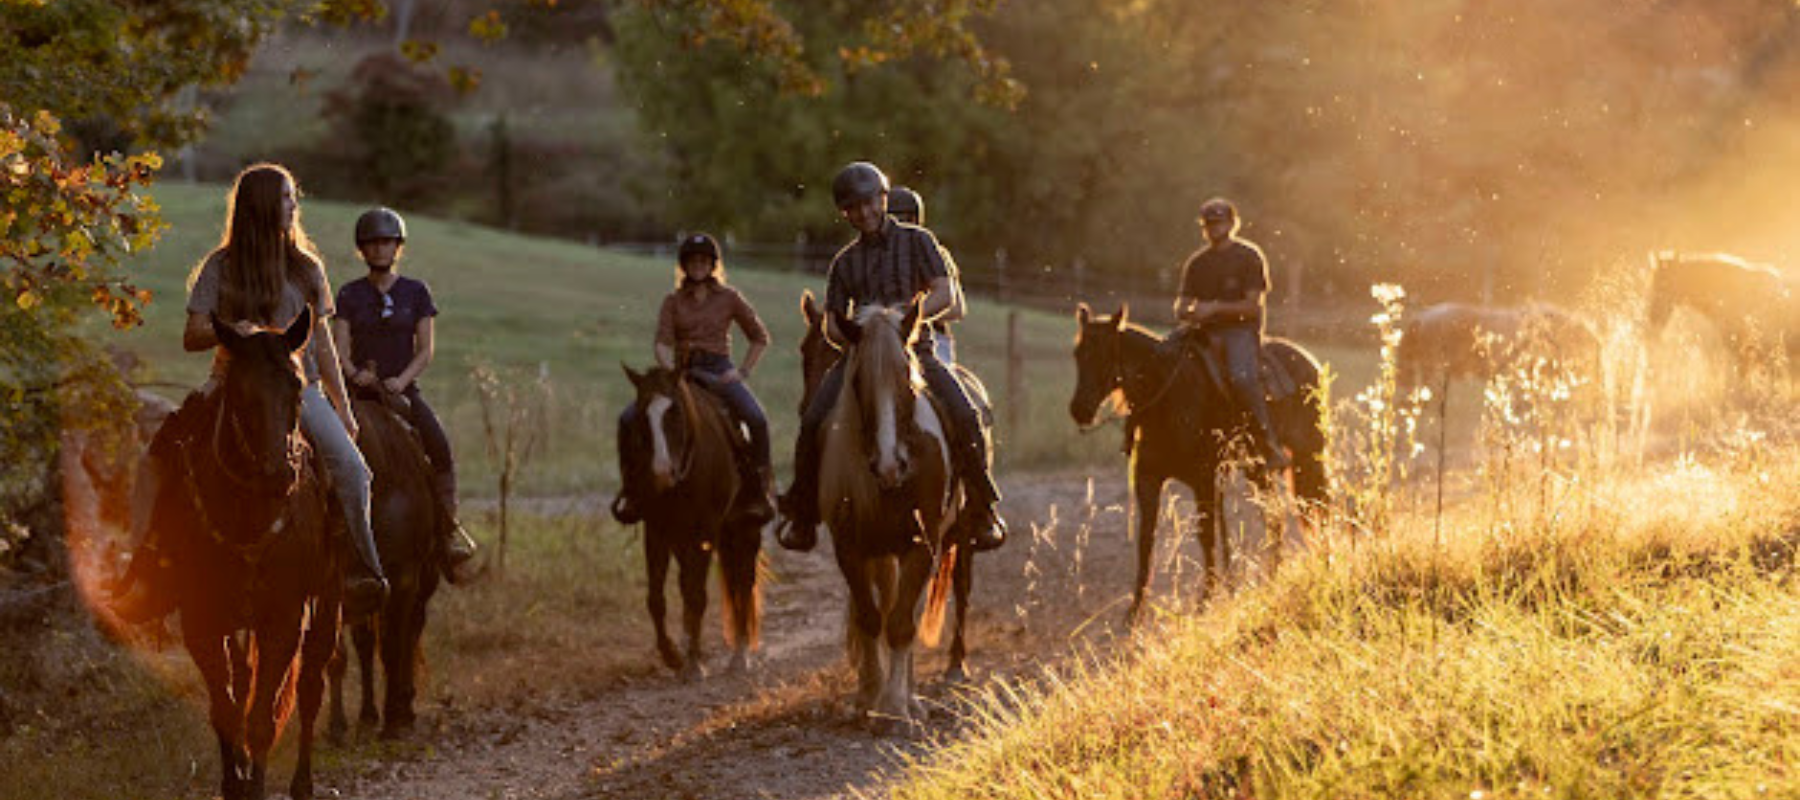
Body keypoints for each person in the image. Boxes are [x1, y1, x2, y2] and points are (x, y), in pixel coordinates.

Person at [110, 164, 388, 622]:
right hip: (228, 385)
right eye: (284, 197)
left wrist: (342, 408)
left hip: (298, 388)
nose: (293, 206)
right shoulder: (221, 267)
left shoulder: (306, 268)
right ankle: (143, 574)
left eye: (293, 198)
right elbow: (192, 333)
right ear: (259, 205)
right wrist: (230, 331)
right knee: (155, 461)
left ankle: (361, 571)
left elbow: (320, 342)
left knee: (354, 471)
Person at [776, 162, 1006, 553]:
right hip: (862, 360)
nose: (863, 213)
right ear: (844, 213)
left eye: (868, 203)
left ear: (882, 199)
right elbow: (831, 324)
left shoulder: (919, 241)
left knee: (965, 414)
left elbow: (945, 293)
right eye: (853, 208)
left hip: (915, 352)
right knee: (813, 418)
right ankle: (802, 513)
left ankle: (982, 507)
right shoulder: (844, 263)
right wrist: (857, 332)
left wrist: (898, 323)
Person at [332, 207, 479, 584]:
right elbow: (339, 348)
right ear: (361, 249)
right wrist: (354, 375)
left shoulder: (417, 292)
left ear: (398, 247)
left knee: (440, 448)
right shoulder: (349, 294)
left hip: (403, 392)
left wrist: (401, 380)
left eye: (387, 242)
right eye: (372, 243)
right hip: (358, 396)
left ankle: (447, 532)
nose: (380, 249)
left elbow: (425, 349)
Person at [611, 233, 776, 526]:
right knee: (627, 418)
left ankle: (757, 493)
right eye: (691, 260)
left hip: (719, 370)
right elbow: (662, 342)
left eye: (703, 260)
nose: (697, 265)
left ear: (712, 264)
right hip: (682, 372)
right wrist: (669, 373)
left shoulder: (730, 298)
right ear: (684, 265)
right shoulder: (672, 302)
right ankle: (631, 490)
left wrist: (741, 371)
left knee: (756, 418)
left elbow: (759, 337)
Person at [1169, 197, 1289, 469]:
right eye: (1209, 225)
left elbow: (1252, 306)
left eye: (1220, 223)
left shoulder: (1248, 257)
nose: (1214, 230)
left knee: (1242, 378)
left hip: (1239, 331)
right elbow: (1181, 304)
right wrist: (1190, 311)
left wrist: (1214, 309)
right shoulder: (1197, 263)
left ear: (1233, 224)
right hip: (1200, 331)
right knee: (1163, 362)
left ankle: (1268, 445)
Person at [887, 186, 965, 365]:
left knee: (939, 377)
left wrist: (909, 317)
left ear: (914, 219)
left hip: (933, 339)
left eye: (899, 219)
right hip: (887, 337)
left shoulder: (938, 254)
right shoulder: (878, 257)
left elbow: (957, 309)